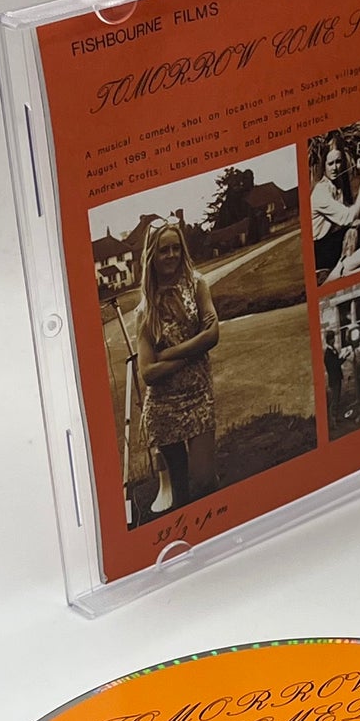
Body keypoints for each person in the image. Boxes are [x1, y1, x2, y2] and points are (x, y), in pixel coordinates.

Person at [136, 219, 219, 512]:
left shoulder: (197, 285)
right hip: (164, 408)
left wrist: (170, 354)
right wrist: (193, 351)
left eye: (176, 248)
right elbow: (148, 373)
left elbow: (213, 335)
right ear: (152, 256)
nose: (171, 255)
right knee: (180, 491)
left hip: (199, 396)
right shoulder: (146, 310)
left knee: (204, 479)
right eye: (163, 250)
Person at [310, 139, 360, 281]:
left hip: (327, 242)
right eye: (330, 163)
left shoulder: (335, 185)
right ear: (323, 165)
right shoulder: (321, 192)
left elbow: (351, 212)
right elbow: (350, 217)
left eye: (338, 162)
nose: (335, 168)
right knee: (357, 231)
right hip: (318, 251)